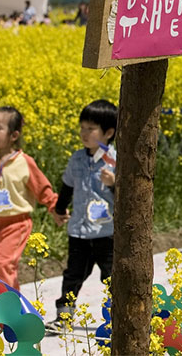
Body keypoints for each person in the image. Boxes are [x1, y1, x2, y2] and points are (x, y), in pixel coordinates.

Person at [47, 100, 118, 335]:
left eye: (91, 128)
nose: (84, 133)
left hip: (106, 234)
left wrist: (114, 184)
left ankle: (118, 318)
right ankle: (63, 318)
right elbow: (67, 186)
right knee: (72, 276)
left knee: (111, 278)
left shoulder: (116, 160)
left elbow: (129, 199)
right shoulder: (76, 158)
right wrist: (59, 209)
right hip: (78, 231)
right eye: (82, 127)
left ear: (108, 133)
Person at [0, 106, 58, 289]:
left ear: (13, 136)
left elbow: (41, 186)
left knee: (3, 264)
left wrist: (54, 206)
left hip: (16, 224)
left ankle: (9, 312)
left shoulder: (24, 162)